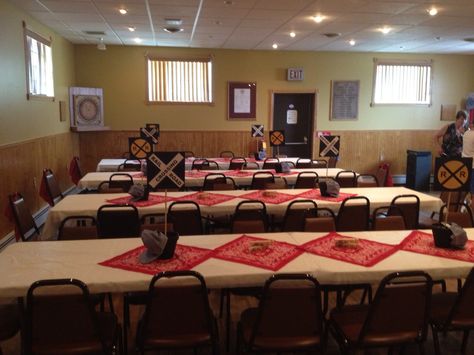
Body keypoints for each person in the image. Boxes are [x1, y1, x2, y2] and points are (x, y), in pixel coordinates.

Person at [462, 118, 474, 206]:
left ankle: (465, 203)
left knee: (466, 184)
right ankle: (471, 204)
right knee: (472, 186)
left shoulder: (466, 133)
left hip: (465, 162)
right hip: (473, 163)